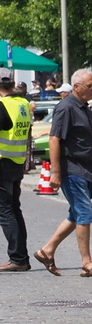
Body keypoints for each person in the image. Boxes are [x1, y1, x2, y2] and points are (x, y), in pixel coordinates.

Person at [34, 69, 92, 278]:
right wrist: (55, 172)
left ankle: (47, 251)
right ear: (77, 87)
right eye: (90, 86)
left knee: (76, 214)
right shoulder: (65, 108)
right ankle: (87, 263)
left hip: (84, 169)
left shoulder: (83, 107)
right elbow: (54, 139)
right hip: (71, 170)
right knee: (84, 213)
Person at [0, 76, 31, 270]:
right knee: (14, 208)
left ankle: (18, 258)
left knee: (5, 211)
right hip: (17, 161)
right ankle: (21, 257)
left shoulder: (2, 104)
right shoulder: (23, 103)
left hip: (2, 160)